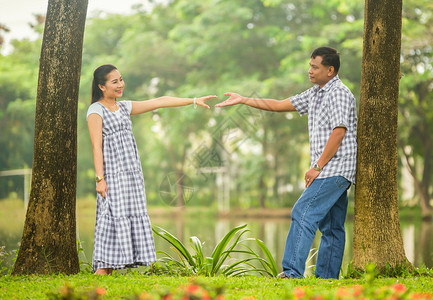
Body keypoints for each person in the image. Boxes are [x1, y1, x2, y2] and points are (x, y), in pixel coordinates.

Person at [215, 47, 357, 279]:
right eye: (309, 65)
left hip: (334, 168)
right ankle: (327, 278)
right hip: (331, 169)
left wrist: (317, 167)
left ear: (330, 70)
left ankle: (292, 273)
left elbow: (338, 132)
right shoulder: (315, 93)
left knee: (302, 213)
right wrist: (244, 100)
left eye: (315, 67)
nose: (309, 70)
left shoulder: (338, 93)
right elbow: (280, 104)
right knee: (332, 226)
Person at [87, 64, 216, 275]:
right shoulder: (95, 110)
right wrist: (100, 178)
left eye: (121, 79)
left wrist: (193, 101)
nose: (121, 85)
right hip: (113, 175)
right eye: (115, 81)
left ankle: (107, 275)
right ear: (101, 86)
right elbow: (96, 146)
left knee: (127, 215)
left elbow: (161, 101)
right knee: (110, 218)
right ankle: (102, 272)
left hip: (132, 176)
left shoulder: (124, 107)